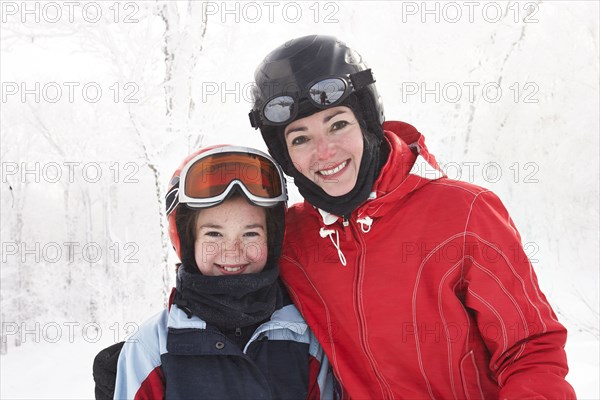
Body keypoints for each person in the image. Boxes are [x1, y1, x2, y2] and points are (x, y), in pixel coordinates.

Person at [249, 35, 576, 399]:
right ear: (284, 154)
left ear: (367, 121)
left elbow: (530, 349)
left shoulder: (463, 213)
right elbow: (218, 296)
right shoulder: (291, 239)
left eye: (338, 124)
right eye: (300, 139)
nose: (325, 152)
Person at [94, 145, 334, 399]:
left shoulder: (304, 337)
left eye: (250, 233)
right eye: (214, 234)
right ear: (188, 240)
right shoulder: (151, 346)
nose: (232, 251)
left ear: (272, 240)